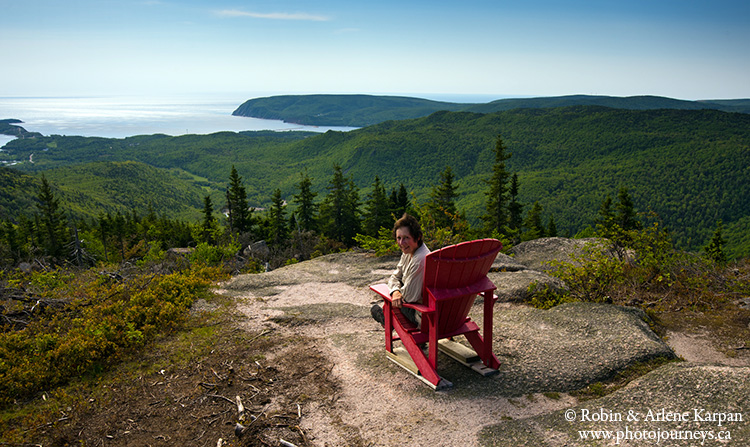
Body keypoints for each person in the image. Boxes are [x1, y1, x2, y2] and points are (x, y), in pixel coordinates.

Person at [371, 214, 430, 328]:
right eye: (399, 238)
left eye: (406, 238)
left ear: (417, 237)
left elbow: (408, 297)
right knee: (394, 298)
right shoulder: (409, 252)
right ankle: (385, 318)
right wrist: (396, 292)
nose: (401, 243)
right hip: (435, 312)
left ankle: (385, 320)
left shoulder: (420, 260)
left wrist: (395, 293)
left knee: (389, 305)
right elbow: (395, 276)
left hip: (423, 316)